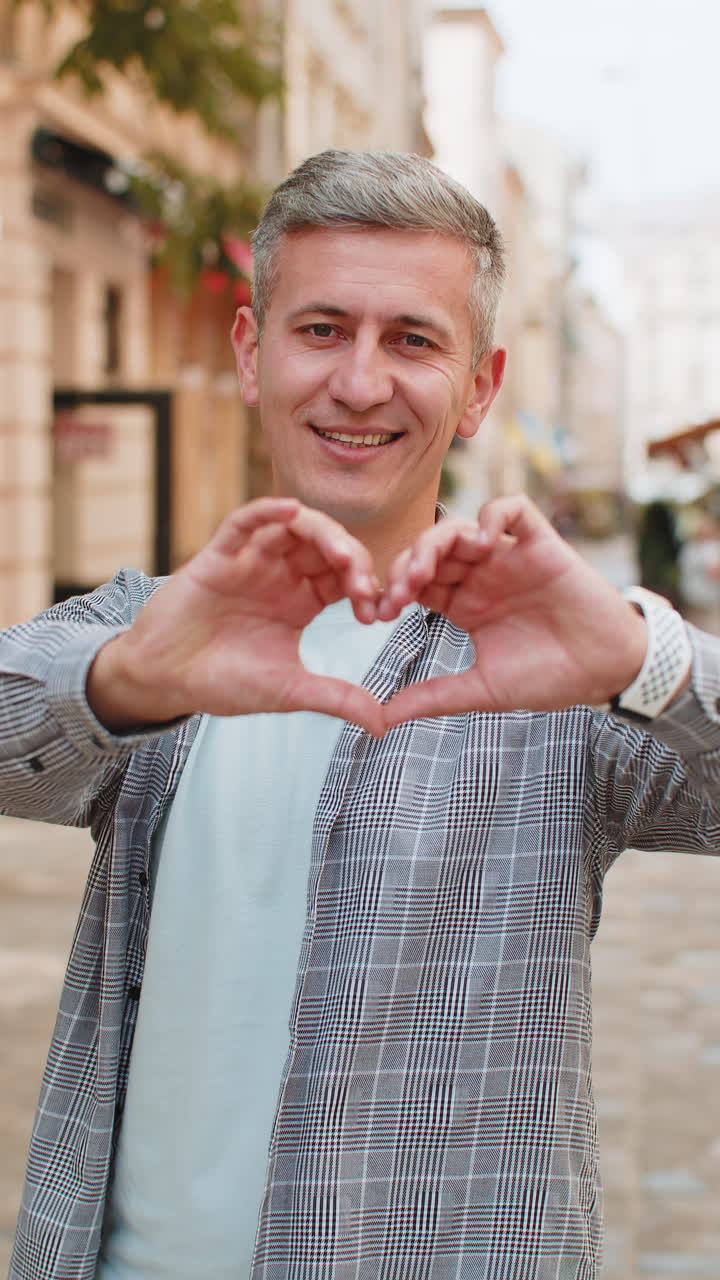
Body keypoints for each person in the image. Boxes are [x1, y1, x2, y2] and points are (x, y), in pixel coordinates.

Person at [2, 149, 719, 1280]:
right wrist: (128, 680)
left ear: (480, 386)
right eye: (323, 329)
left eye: (413, 340)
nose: (360, 381)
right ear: (253, 350)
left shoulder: (561, 667)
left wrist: (646, 658)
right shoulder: (156, 629)